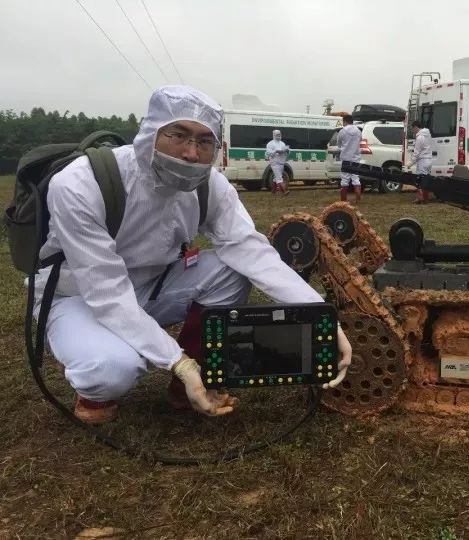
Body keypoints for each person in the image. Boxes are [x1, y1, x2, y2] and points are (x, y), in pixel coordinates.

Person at [36, 85, 352, 425]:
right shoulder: (81, 184)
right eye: (178, 135)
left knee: (233, 269)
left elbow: (250, 249)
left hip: (153, 284)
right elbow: (106, 291)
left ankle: (192, 381)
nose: (190, 153)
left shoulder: (209, 185)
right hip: (78, 295)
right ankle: (96, 392)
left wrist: (319, 315)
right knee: (112, 368)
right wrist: (178, 361)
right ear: (150, 132)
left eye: (204, 142)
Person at [337, 115, 362, 203]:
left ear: (345, 121)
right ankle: (358, 199)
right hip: (356, 158)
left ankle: (343, 201)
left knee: (344, 180)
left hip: (345, 158)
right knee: (356, 178)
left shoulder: (342, 131)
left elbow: (339, 144)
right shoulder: (358, 131)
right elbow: (360, 141)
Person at [408, 121, 433, 204]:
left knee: (420, 180)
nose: (412, 130)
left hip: (423, 161)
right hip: (429, 160)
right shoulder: (428, 135)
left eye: (412, 128)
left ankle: (421, 198)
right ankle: (425, 198)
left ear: (416, 127)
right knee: (426, 179)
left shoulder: (420, 137)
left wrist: (410, 163)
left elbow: (416, 153)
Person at [265, 130, 290, 195]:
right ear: (274, 135)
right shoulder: (270, 144)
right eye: (277, 135)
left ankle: (273, 191)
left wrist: (287, 151)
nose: (278, 136)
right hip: (274, 163)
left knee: (276, 178)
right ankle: (284, 191)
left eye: (279, 135)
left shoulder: (282, 143)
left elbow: (286, 153)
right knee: (279, 178)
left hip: (281, 162)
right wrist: (276, 151)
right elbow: (268, 153)